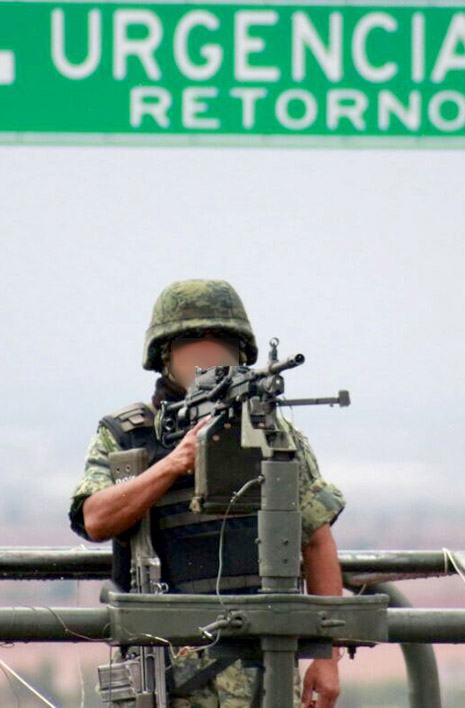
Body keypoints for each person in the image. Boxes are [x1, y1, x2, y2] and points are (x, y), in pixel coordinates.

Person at [69, 279, 346, 708]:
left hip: (264, 672)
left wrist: (327, 657)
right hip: (163, 671)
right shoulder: (126, 435)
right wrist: (173, 464)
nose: (208, 353)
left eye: (222, 342)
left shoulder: (275, 435)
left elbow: (317, 539)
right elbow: (95, 519)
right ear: (165, 355)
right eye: (192, 342)